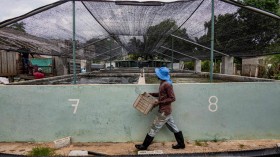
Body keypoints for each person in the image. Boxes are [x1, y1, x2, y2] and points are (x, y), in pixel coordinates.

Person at [135, 67, 185, 150]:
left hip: (163, 112)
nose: (156, 75)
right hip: (166, 111)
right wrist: (152, 94)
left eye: (157, 74)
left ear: (161, 76)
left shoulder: (167, 84)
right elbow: (162, 94)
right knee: (174, 127)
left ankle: (144, 146)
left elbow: (172, 98)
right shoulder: (163, 83)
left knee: (154, 128)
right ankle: (181, 144)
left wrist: (159, 102)